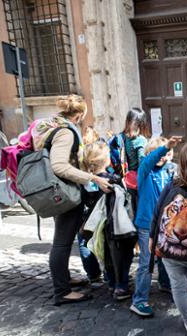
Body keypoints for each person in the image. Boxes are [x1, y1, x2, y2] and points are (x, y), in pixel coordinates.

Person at [45, 95, 112, 305]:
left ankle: (64, 280)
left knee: (62, 241)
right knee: (62, 243)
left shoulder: (56, 125)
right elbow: (59, 166)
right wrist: (92, 177)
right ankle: (62, 291)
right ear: (79, 115)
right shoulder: (65, 132)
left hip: (61, 193)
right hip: (65, 195)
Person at [149, 142, 187, 334]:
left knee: (179, 288)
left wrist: (152, 237)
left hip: (169, 250)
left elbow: (158, 212)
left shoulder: (172, 185)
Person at [81, 140, 136, 300]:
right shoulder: (113, 179)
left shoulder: (86, 182)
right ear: (106, 160)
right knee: (122, 256)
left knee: (105, 255)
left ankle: (112, 282)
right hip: (115, 225)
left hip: (97, 227)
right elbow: (125, 201)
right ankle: (121, 287)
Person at [130, 136, 179, 317]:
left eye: (164, 153)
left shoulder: (168, 172)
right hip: (146, 225)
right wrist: (165, 147)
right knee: (146, 262)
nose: (160, 156)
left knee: (165, 256)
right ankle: (139, 300)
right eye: (156, 152)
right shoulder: (145, 170)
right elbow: (150, 160)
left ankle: (165, 284)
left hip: (164, 224)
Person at [109, 108, 151, 214]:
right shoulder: (141, 140)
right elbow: (143, 163)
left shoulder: (121, 136)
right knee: (138, 209)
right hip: (137, 181)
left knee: (130, 208)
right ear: (142, 124)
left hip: (124, 178)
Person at [77, 127, 104, 288]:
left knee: (83, 242)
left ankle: (93, 275)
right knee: (100, 243)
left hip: (84, 215)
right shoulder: (102, 177)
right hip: (96, 215)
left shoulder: (80, 174)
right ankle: (107, 276)